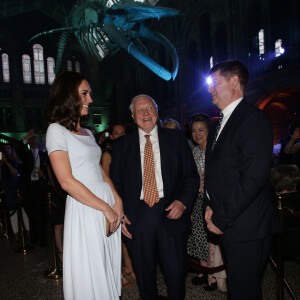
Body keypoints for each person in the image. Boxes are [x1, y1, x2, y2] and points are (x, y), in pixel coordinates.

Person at [204, 59, 280, 300]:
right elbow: (220, 171)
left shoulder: (252, 119)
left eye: (215, 83)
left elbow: (254, 177)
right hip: (232, 222)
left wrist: (221, 217)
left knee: (243, 291)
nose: (210, 89)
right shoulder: (220, 123)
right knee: (239, 289)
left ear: (234, 81)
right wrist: (210, 205)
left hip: (247, 226)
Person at [110, 94, 199, 300]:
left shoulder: (177, 139)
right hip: (137, 217)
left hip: (171, 213)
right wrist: (118, 213)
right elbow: (115, 185)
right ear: (133, 117)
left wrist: (183, 202)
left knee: (176, 274)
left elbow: (191, 177)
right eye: (140, 110)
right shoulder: (121, 146)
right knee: (144, 275)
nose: (145, 113)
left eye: (149, 108)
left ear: (157, 112)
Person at [45, 71, 123, 300]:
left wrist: (116, 200)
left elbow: (100, 171)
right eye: (84, 94)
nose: (90, 99)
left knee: (106, 262)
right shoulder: (55, 131)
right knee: (91, 267)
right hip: (86, 206)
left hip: (104, 201)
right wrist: (105, 208)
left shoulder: (88, 132)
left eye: (89, 94)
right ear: (69, 95)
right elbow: (67, 182)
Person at [101, 123, 137, 289]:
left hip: (127, 198)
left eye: (123, 132)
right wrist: (115, 202)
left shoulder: (129, 151)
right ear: (112, 137)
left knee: (126, 235)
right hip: (113, 200)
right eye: (117, 133)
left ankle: (129, 268)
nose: (121, 135)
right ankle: (120, 273)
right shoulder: (108, 155)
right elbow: (106, 180)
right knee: (116, 237)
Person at [187, 114, 210, 284]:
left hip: (211, 200)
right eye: (194, 131)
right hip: (196, 199)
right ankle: (204, 271)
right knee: (198, 235)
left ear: (208, 130)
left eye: (201, 130)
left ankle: (213, 275)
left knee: (210, 237)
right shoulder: (193, 151)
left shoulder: (214, 151)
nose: (197, 134)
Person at [19, 130, 49, 246]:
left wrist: (44, 175)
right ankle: (33, 239)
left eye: (34, 138)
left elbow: (50, 170)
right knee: (31, 214)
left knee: (42, 215)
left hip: (40, 186)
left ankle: (43, 239)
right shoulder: (25, 154)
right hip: (29, 187)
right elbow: (18, 150)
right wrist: (26, 137)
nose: (33, 139)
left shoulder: (43, 154)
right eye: (31, 138)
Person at [0, 144, 30, 242]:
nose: (6, 150)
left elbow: (16, 172)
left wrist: (7, 163)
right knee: (12, 213)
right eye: (4, 149)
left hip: (19, 187)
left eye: (8, 148)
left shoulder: (16, 160)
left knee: (24, 211)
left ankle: (28, 233)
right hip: (9, 189)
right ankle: (16, 236)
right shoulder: (2, 163)